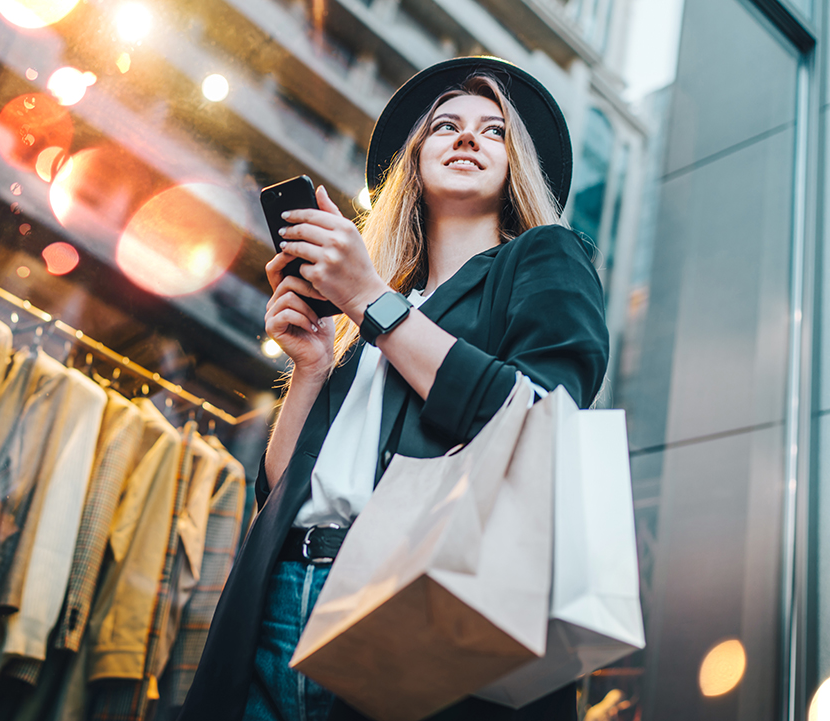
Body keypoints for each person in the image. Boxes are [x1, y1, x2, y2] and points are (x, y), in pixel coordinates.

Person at [177, 56, 609, 721]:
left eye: (494, 131)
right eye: (446, 126)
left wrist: (370, 301)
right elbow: (284, 486)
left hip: (412, 609)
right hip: (277, 600)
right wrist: (315, 367)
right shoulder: (376, 309)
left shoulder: (543, 257)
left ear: (515, 164)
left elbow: (537, 420)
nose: (468, 138)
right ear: (413, 163)